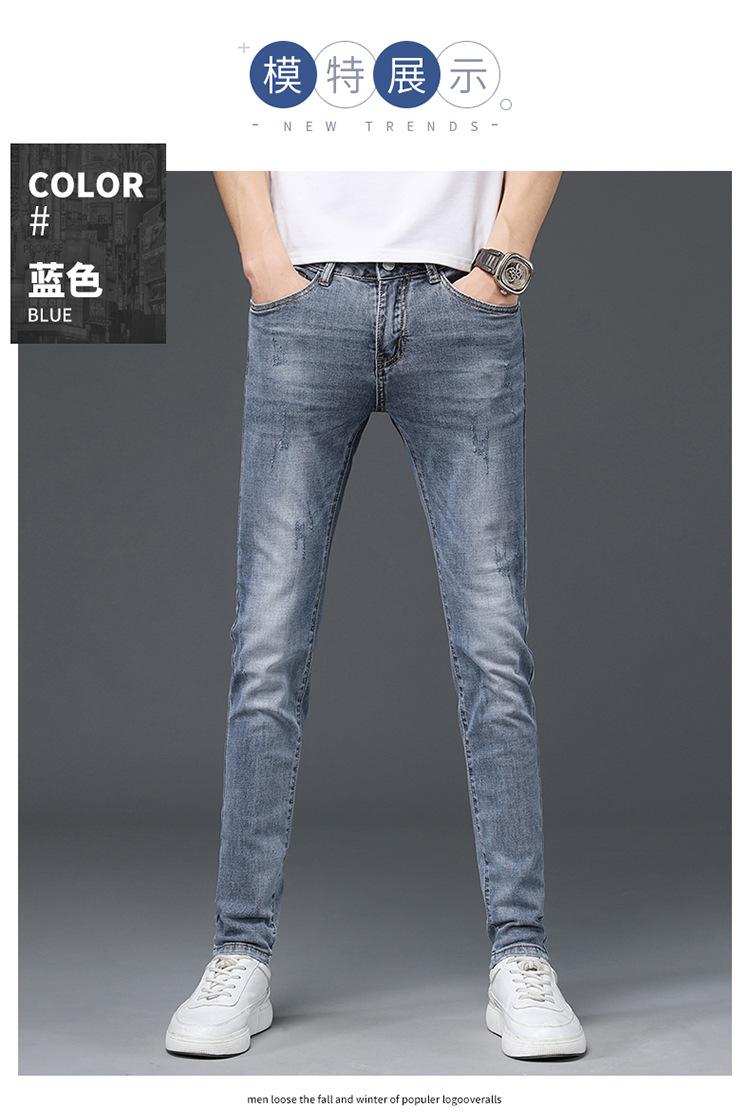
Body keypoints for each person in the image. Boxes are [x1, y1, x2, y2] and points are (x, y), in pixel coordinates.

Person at [166, 171, 586, 1060]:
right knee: (268, 646)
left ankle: (521, 955)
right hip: (305, 301)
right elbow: (227, 109)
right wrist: (263, 261)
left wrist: (503, 263)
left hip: (462, 307)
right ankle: (239, 952)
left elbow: (551, 109)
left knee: (495, 646)